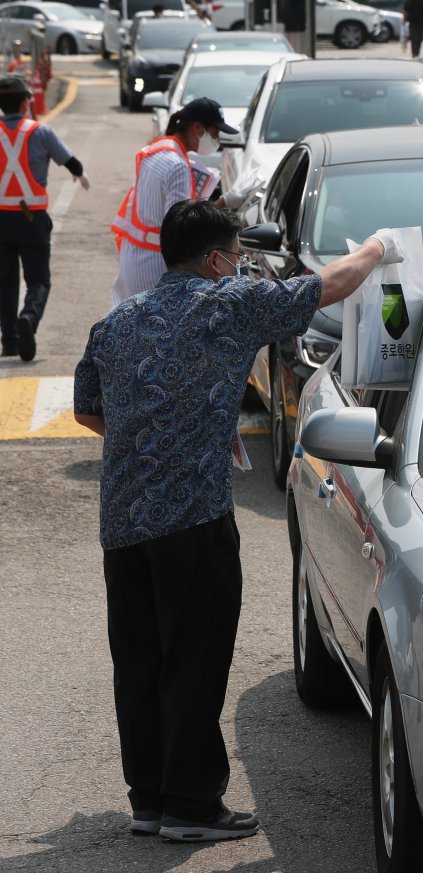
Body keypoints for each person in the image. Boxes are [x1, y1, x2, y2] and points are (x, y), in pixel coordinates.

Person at [73, 199, 402, 843]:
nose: (241, 266)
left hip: (124, 526)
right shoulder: (226, 304)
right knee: (195, 660)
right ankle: (193, 808)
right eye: (237, 256)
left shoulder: (116, 323)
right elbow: (325, 286)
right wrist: (376, 247)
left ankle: (151, 799)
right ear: (217, 258)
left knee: (140, 663)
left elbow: (90, 411)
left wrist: (161, 436)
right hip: (193, 522)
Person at [110, 97, 238, 308]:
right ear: (197, 128)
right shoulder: (178, 166)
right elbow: (183, 227)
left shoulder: (155, 149)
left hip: (132, 255)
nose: (216, 140)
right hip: (154, 266)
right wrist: (225, 201)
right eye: (214, 133)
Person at [0, 75, 90, 360]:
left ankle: (10, 341)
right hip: (32, 218)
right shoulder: (41, 132)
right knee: (38, 280)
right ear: (26, 102)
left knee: (5, 281)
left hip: (1, 218)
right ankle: (29, 316)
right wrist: (80, 175)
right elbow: (72, 163)